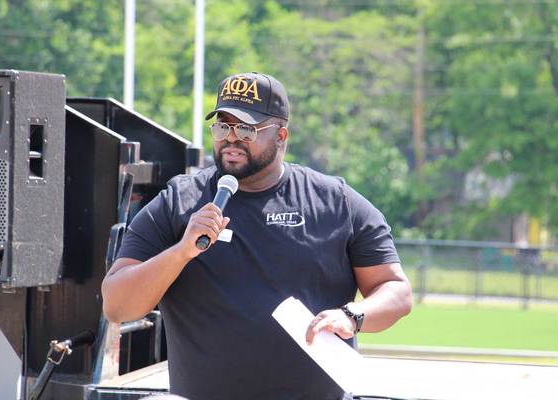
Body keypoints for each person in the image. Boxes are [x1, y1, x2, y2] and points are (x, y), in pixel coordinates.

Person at [102, 72, 412, 400]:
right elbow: (117, 306)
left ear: (281, 135)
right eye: (223, 126)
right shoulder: (179, 202)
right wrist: (181, 252)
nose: (231, 138)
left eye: (246, 128)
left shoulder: (336, 202)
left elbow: (396, 290)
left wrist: (353, 316)